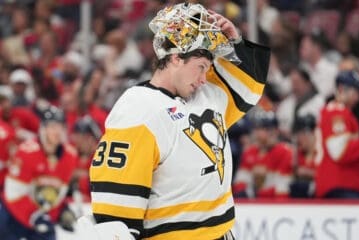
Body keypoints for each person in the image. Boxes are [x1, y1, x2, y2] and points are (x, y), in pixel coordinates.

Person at [82, 2, 270, 240]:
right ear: (176, 57)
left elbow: (250, 89)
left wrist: (237, 43)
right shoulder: (138, 109)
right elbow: (116, 214)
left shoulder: (208, 96)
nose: (204, 78)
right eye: (201, 67)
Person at [0, 106, 78, 240]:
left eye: (61, 127)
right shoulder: (26, 152)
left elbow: (57, 194)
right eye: (53, 126)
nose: (57, 132)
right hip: (13, 217)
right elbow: (12, 194)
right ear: (43, 128)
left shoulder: (70, 156)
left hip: (42, 218)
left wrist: (61, 210)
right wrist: (34, 216)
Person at [315, 71, 359, 199]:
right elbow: (339, 151)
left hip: (344, 185)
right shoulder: (336, 112)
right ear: (342, 88)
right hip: (340, 185)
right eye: (356, 92)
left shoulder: (345, 114)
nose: (357, 98)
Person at [233, 111, 293, 199]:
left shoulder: (285, 151)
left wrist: (257, 189)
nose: (257, 133)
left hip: (276, 206)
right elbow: (239, 185)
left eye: (262, 129)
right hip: (252, 204)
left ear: (275, 131)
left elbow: (282, 190)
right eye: (257, 128)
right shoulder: (249, 152)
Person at [290, 114, 320, 198]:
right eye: (298, 134)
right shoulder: (295, 153)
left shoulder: (322, 153)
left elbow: (330, 178)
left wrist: (310, 173)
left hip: (321, 201)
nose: (300, 138)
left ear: (314, 134)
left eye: (303, 134)